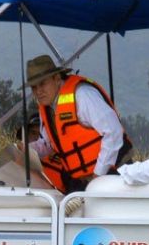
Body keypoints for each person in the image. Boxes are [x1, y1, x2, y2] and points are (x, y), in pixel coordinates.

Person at [26, 54, 132, 193]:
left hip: (113, 176)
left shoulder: (82, 95)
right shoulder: (46, 108)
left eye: (42, 84)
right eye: (34, 87)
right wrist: (26, 150)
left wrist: (98, 175)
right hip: (82, 183)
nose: (38, 91)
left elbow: (113, 132)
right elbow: (48, 144)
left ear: (57, 78)